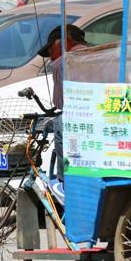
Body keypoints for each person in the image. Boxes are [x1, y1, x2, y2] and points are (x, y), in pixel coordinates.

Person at [37, 24, 90, 184]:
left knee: (59, 122)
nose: (51, 57)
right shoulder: (98, 55)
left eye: (51, 50)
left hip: (83, 121)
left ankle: (64, 180)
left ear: (64, 42)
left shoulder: (62, 63)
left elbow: (60, 103)